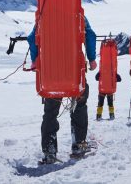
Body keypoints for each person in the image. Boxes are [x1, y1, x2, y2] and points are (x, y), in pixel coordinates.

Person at [27, 16, 97, 164]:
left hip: (51, 73)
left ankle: (49, 152)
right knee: (80, 103)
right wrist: (91, 58)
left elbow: (32, 38)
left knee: (50, 112)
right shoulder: (78, 14)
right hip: (74, 70)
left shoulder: (42, 15)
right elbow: (90, 35)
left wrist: (34, 60)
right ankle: (79, 144)